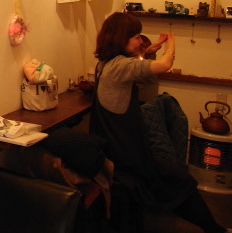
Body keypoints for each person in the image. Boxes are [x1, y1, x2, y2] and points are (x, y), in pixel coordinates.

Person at [91, 12, 229, 232]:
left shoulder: (105, 63)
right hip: (128, 157)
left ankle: (214, 228)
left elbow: (140, 71)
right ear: (120, 38)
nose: (140, 40)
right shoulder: (120, 66)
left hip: (118, 150)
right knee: (180, 182)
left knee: (175, 180)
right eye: (136, 36)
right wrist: (171, 44)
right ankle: (215, 229)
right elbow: (164, 65)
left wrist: (147, 52)